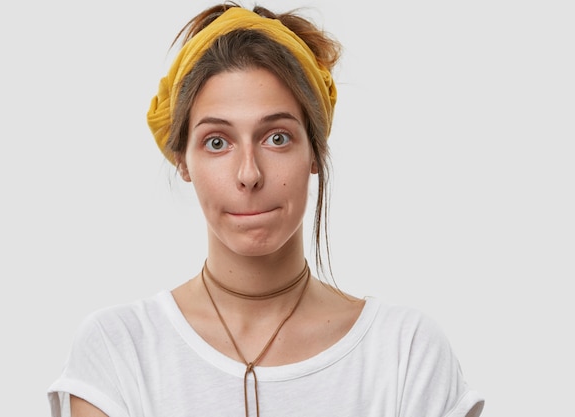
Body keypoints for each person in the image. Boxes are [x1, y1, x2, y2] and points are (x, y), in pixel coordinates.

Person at [48, 2, 484, 416]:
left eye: (277, 137)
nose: (249, 173)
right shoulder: (118, 351)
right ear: (183, 160)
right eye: (217, 142)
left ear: (315, 150)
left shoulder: (405, 353)